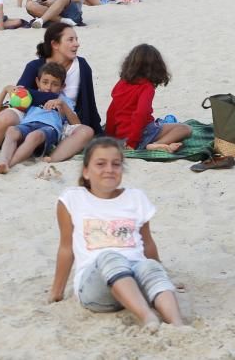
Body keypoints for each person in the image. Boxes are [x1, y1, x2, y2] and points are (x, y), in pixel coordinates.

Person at [49, 137, 186, 327]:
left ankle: (177, 324)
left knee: (149, 267)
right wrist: (57, 291)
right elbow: (66, 248)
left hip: (135, 283)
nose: (109, 170)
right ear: (86, 171)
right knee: (110, 257)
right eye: (100, 164)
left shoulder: (135, 198)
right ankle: (147, 316)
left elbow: (147, 243)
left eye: (116, 164)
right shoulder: (72, 199)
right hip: (96, 288)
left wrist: (162, 274)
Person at [0, 23, 100, 155]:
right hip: (32, 114)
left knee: (85, 132)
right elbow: (19, 94)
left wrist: (98, 130)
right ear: (55, 44)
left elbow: (89, 103)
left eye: (76, 39)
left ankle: (47, 153)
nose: (77, 44)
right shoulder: (35, 66)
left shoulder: (82, 66)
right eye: (70, 39)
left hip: (64, 120)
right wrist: (53, 97)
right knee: (6, 117)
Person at [0, 62, 78, 174]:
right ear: (37, 82)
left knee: (34, 136)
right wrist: (5, 90)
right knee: (11, 130)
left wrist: (62, 105)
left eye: (55, 84)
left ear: (62, 86)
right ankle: (3, 161)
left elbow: (77, 124)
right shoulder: (29, 98)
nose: (48, 87)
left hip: (49, 128)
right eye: (45, 82)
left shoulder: (64, 101)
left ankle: (9, 165)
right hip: (27, 125)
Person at [104, 44, 192, 153]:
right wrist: (132, 142)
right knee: (185, 129)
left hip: (121, 135)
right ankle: (157, 144)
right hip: (140, 134)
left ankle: (154, 142)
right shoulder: (146, 87)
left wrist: (110, 137)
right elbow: (140, 114)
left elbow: (111, 112)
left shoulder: (121, 83)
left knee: (161, 124)